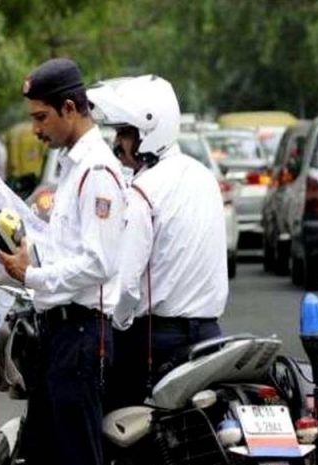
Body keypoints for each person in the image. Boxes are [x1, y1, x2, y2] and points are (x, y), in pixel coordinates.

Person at [0, 57, 125, 465]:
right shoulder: (73, 169)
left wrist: (33, 276)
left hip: (80, 334)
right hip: (56, 333)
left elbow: (99, 263)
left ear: (70, 108)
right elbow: (66, 246)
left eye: (42, 117)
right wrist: (28, 246)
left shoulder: (98, 173)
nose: (36, 128)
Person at [88, 75, 228, 410]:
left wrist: (114, 322)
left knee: (102, 417)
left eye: (124, 133)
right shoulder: (204, 178)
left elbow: (127, 284)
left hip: (155, 340)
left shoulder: (143, 191)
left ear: (148, 132)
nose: (118, 143)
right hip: (211, 334)